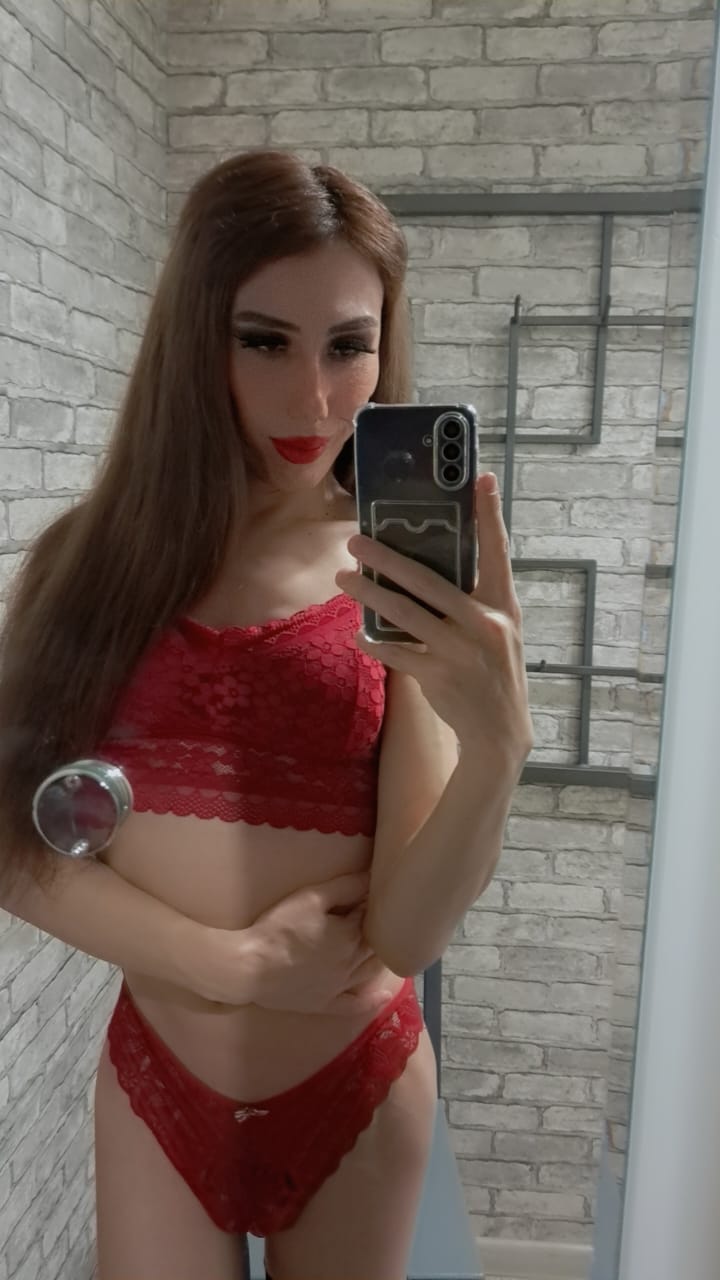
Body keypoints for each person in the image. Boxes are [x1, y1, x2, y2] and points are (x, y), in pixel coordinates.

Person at [0, 150, 533, 1280]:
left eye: (348, 345)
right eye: (265, 341)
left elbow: (407, 934)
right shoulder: (89, 564)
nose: (315, 401)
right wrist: (227, 963)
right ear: (197, 338)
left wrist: (499, 747)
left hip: (354, 1085)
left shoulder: (392, 571)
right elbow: (11, 843)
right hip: (158, 1079)